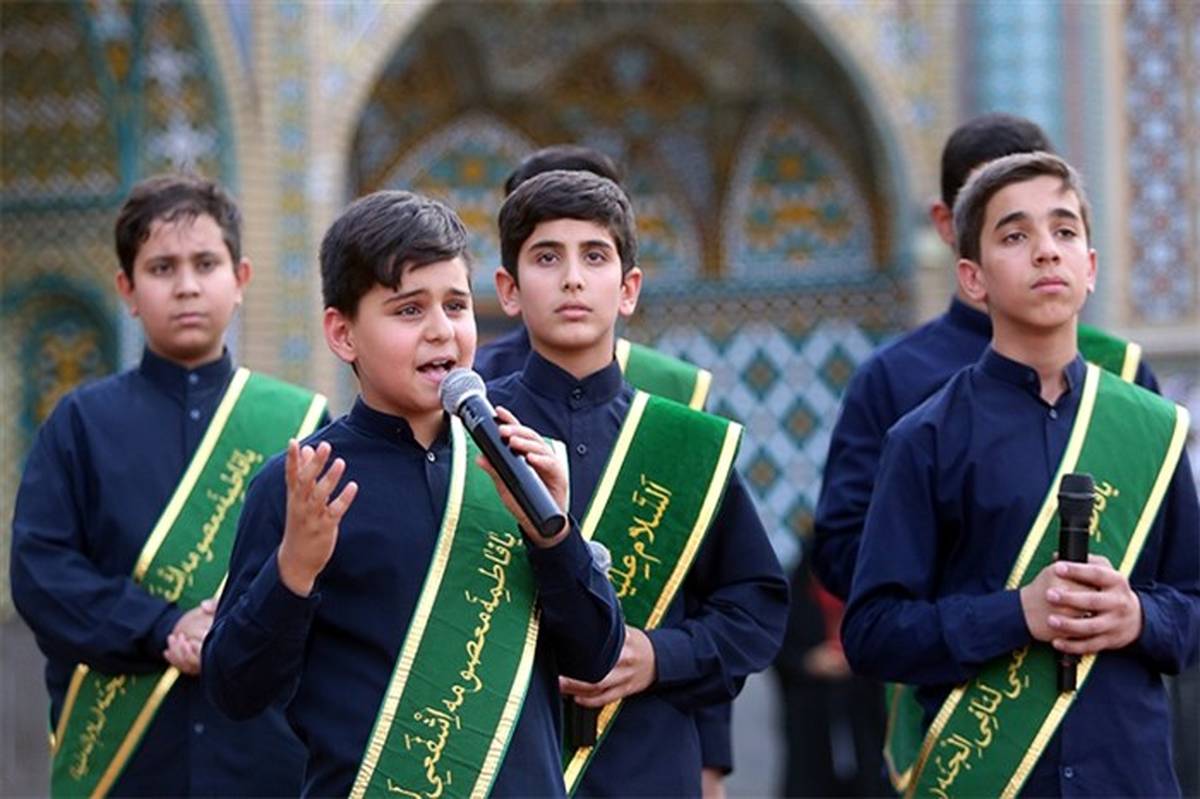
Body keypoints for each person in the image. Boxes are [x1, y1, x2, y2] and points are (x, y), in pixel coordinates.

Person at [202, 190, 625, 797]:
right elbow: (234, 689)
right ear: (343, 334)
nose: (441, 331)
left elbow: (594, 657)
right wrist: (292, 571)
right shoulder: (304, 486)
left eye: (456, 305)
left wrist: (556, 536)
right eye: (408, 310)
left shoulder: (516, 464)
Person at [808, 113, 1162, 790]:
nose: (1043, 250)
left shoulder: (1125, 384)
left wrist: (1134, 612)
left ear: (1089, 259)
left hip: (1115, 742)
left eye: (1061, 228)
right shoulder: (904, 393)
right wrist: (987, 599)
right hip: (969, 730)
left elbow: (1179, 585)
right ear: (954, 234)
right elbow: (850, 561)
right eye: (1011, 228)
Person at [10, 174, 323, 797]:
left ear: (240, 279)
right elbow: (41, 574)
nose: (186, 286)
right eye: (161, 268)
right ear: (127, 289)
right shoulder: (79, 424)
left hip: (265, 759)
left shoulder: (303, 427)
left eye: (205, 264)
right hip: (125, 762)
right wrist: (163, 626)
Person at [487, 169, 789, 797]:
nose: (572, 278)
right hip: (504, 769)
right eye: (547, 257)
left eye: (595, 256)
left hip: (649, 768)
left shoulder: (684, 442)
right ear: (509, 291)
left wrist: (659, 656)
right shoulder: (472, 434)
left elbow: (754, 608)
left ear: (628, 290)